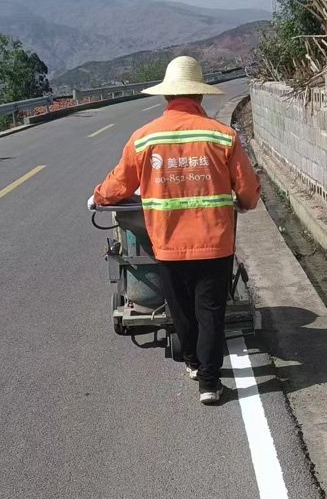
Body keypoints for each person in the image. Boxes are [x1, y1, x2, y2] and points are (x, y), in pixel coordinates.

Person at [88, 56, 261, 404]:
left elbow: (120, 183)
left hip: (167, 244)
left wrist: (98, 197)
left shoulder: (144, 138)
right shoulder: (222, 136)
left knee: (180, 308)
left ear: (167, 97)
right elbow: (247, 191)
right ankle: (210, 384)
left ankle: (195, 363)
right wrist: (242, 201)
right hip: (215, 245)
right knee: (210, 311)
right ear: (199, 96)